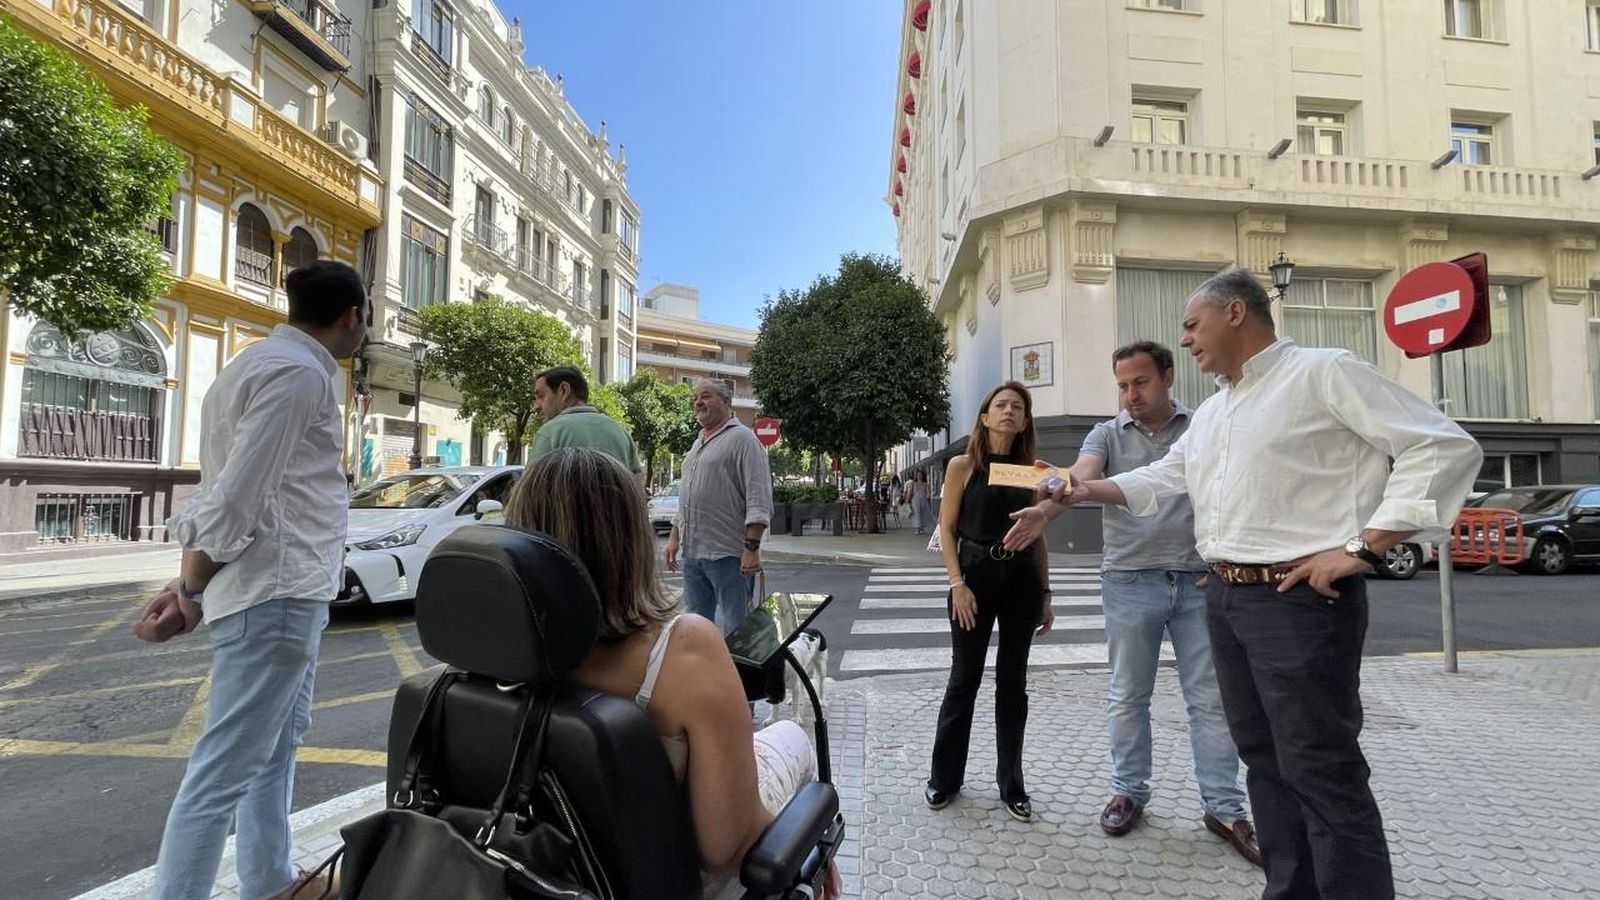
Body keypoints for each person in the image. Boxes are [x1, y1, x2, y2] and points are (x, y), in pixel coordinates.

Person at [1006, 267, 1481, 900]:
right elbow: (1164, 476)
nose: (1189, 340)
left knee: (1321, 770)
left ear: (1235, 313)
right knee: (1265, 762)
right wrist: (1081, 488)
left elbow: (1441, 447)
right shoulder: (1219, 410)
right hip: (1225, 598)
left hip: (1300, 601)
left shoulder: (1322, 372)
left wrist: (1365, 547)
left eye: (1192, 325)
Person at [503, 448, 836, 900]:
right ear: (627, 539)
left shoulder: (485, 658)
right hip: (679, 883)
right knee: (792, 738)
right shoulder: (683, 649)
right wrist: (806, 842)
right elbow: (726, 851)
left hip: (548, 870)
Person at [135, 260, 369, 900]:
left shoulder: (250, 366)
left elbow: (224, 491)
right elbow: (237, 499)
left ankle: (270, 881)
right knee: (223, 770)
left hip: (278, 591)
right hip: (278, 592)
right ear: (352, 316)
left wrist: (190, 581)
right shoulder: (298, 377)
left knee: (273, 748)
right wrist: (188, 590)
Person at [1073, 341, 1258, 864]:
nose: (1131, 395)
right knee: (1128, 695)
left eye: (1141, 383)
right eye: (1123, 386)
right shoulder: (1106, 433)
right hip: (1130, 581)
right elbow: (1085, 473)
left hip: (1200, 583)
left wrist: (1223, 563)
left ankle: (1224, 807)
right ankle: (1128, 791)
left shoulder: (1203, 425)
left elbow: (1230, 494)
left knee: (1211, 700)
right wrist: (1062, 489)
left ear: (1168, 377)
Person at [925, 381, 1055, 823]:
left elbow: (1038, 536)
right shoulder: (962, 466)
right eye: (1000, 405)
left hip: (1020, 579)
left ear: (1025, 420)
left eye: (1017, 407)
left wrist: (1046, 592)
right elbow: (945, 529)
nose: (1009, 411)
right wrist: (956, 583)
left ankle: (1011, 784)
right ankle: (945, 778)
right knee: (963, 680)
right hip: (973, 578)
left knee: (1012, 684)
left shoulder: (1033, 471)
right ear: (984, 416)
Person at [664, 379, 773, 636]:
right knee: (696, 631)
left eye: (706, 396)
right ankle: (706, 675)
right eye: (695, 398)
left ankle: (741, 676)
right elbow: (687, 498)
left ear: (726, 402)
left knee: (739, 630)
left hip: (729, 556)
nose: (698, 402)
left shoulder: (744, 440)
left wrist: (751, 548)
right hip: (693, 556)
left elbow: (759, 497)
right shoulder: (697, 443)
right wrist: (673, 538)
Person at [530, 365, 642, 477]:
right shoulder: (622, 433)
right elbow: (638, 490)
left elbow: (530, 490)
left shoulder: (549, 433)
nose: (536, 406)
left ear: (564, 390)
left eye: (541, 396)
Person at [907, 469, 934, 535]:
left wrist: (928, 500)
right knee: (917, 514)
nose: (919, 476)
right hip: (915, 500)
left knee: (923, 514)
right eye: (918, 474)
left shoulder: (925, 484)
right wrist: (908, 499)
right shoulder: (913, 483)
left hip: (923, 500)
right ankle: (917, 528)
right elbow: (910, 492)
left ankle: (921, 527)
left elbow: (928, 493)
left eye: (920, 474)